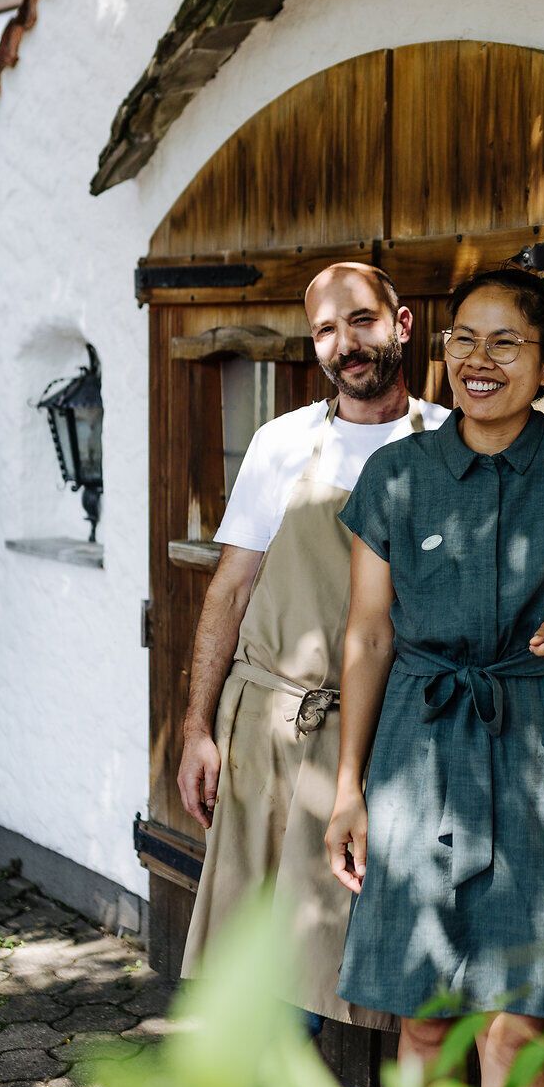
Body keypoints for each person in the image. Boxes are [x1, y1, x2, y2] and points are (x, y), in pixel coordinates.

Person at [324, 267, 544, 1087]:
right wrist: (348, 789)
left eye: (505, 342)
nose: (477, 359)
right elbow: (368, 635)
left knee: (522, 1021)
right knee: (424, 1014)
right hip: (419, 747)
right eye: (463, 338)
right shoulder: (396, 473)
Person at [177, 262, 449, 1033]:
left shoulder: (450, 446)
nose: (344, 344)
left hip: (387, 737)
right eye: (326, 330)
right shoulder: (281, 443)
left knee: (364, 965)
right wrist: (199, 727)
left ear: (401, 326)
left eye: (360, 320)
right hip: (271, 724)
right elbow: (228, 591)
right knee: (261, 975)